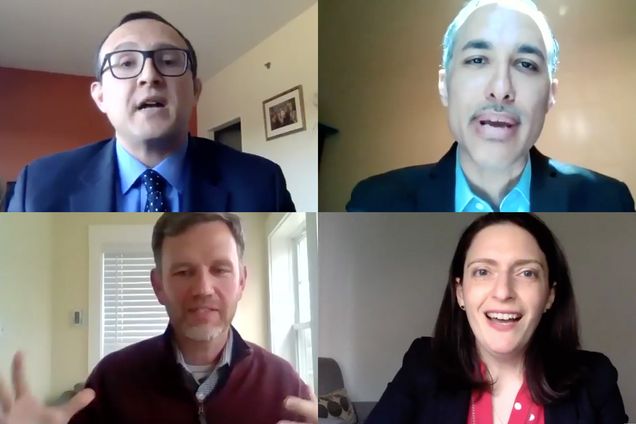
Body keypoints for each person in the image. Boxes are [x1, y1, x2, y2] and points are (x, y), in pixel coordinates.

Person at [0, 213, 317, 424]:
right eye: (183, 272)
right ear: (158, 285)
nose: (203, 289)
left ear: (242, 282)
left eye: (220, 269)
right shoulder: (111, 380)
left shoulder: (284, 384)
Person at [347, 0, 634, 212]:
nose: (500, 90)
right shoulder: (374, 202)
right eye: (477, 60)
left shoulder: (609, 201)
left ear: (550, 95)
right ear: (444, 85)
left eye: (525, 64)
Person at [7, 11, 295, 212]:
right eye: (126, 63)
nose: (149, 75)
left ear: (195, 91)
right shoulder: (38, 187)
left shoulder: (261, 184)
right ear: (101, 96)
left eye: (169, 61)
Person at [365, 213, 628, 423]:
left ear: (549, 295)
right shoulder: (422, 364)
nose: (503, 292)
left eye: (526, 273)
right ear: (460, 293)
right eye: (482, 271)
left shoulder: (595, 379)